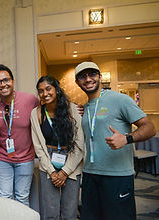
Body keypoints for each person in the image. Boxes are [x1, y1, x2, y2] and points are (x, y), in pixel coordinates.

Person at [75, 61, 156, 220]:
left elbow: (149, 128)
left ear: (99, 76)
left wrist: (127, 138)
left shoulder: (120, 99)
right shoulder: (86, 108)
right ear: (77, 82)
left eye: (92, 74)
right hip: (90, 175)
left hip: (117, 176)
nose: (88, 79)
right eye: (82, 76)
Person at [30, 76, 85, 220]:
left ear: (56, 89)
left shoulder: (72, 109)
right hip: (48, 161)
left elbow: (80, 143)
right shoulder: (36, 113)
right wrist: (53, 172)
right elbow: (38, 147)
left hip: (72, 160)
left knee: (69, 212)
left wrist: (65, 172)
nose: (45, 93)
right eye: (40, 91)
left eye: (48, 89)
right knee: (50, 212)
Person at [0, 64, 39, 206]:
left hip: (26, 158)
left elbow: (48, 113)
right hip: (2, 158)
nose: (3, 84)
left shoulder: (30, 100)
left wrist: (74, 108)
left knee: (22, 197)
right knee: (4, 198)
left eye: (6, 80)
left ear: (13, 81)